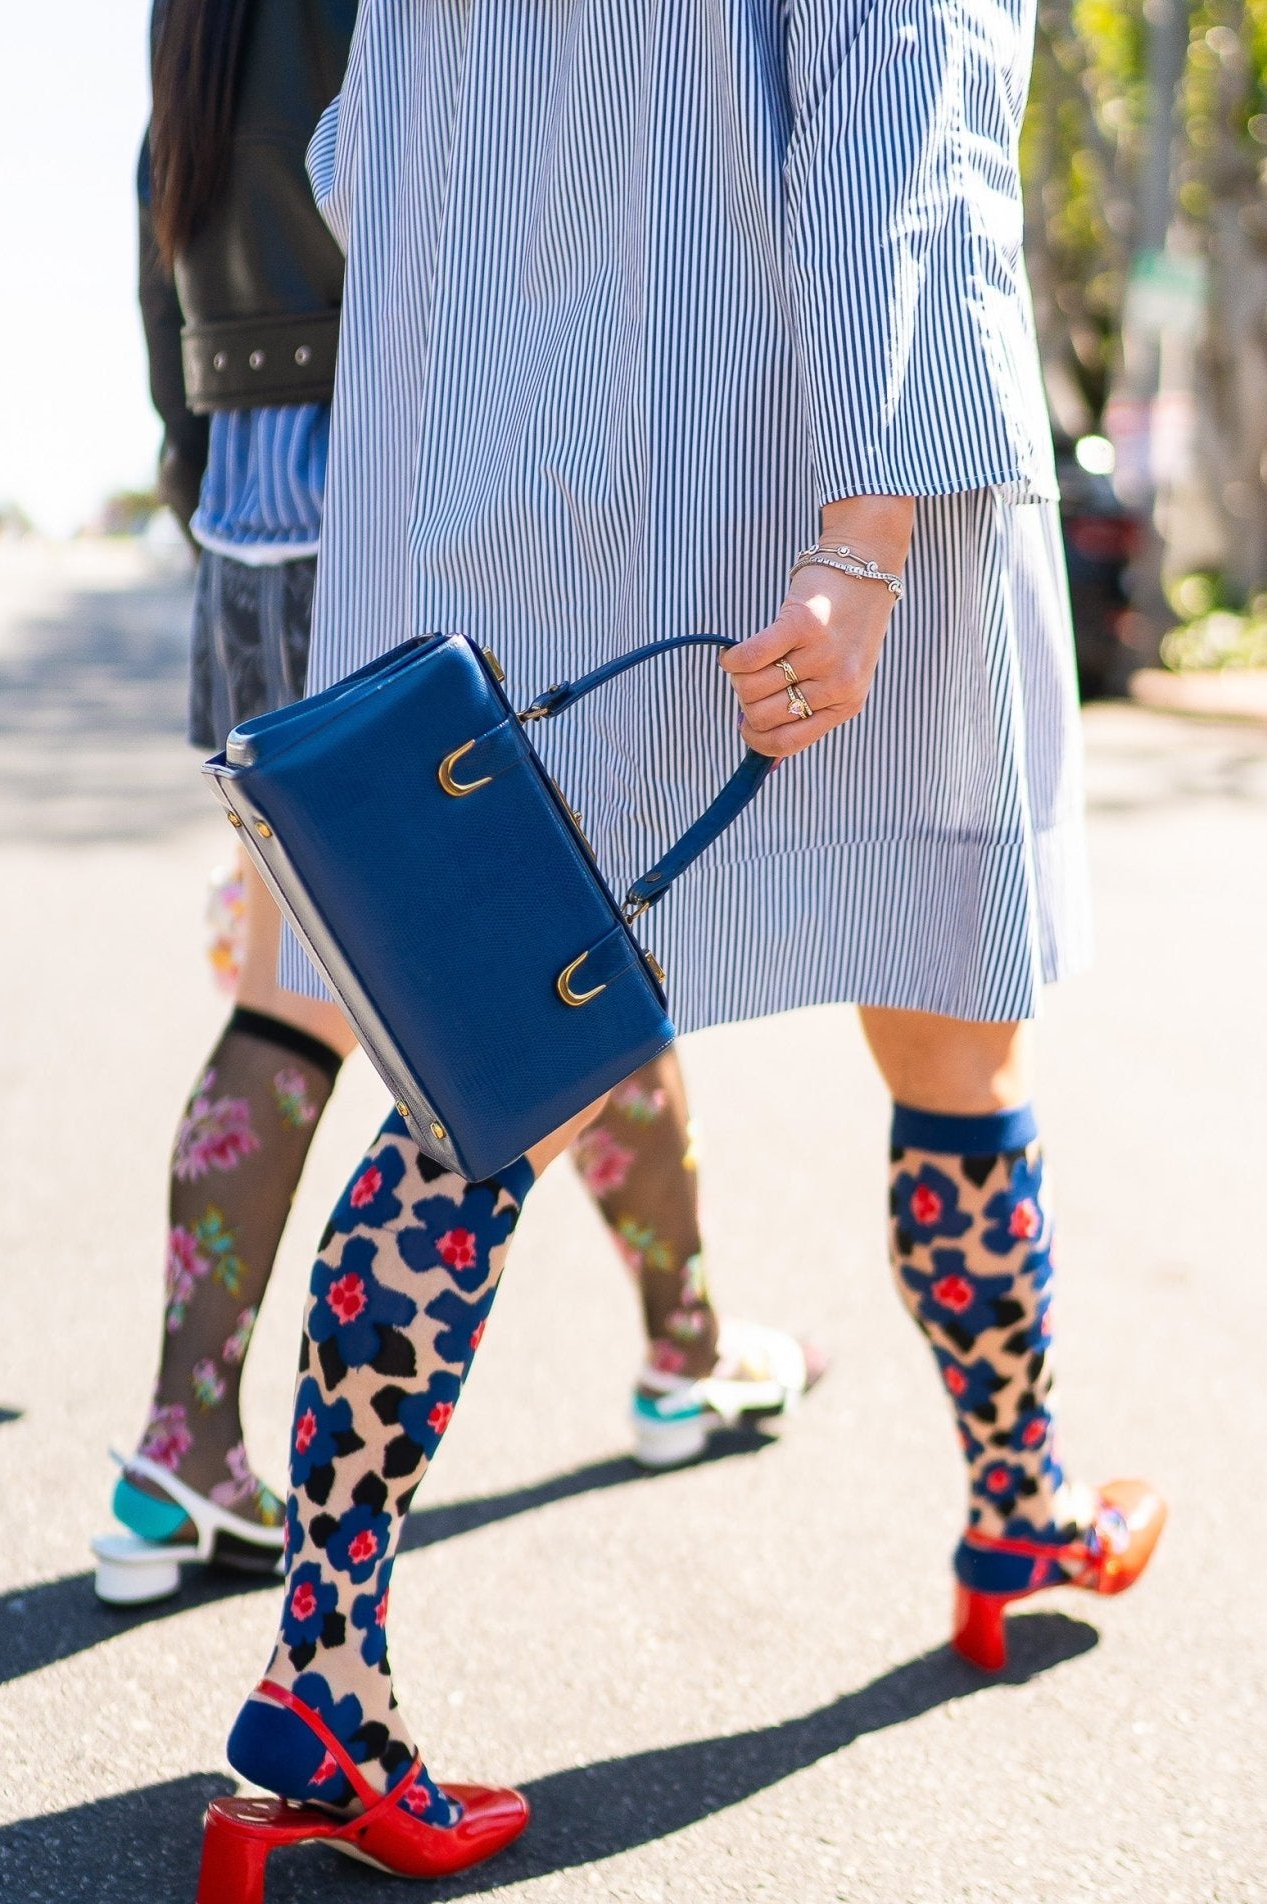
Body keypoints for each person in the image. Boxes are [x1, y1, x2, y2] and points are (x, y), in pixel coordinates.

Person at [192, 2, 1170, 1904]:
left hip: (497, 509)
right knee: (953, 1031)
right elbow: (912, 117)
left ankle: (321, 1683)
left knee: (475, 1096)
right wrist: (864, 540)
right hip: (829, 488)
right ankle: (1017, 1502)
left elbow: (356, 161)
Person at [93, 0, 821, 1610]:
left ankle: (181, 1448)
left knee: (320, 997)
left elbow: (162, 217)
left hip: (246, 502)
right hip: (412, 468)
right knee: (555, 952)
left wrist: (196, 471)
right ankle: (680, 1359)